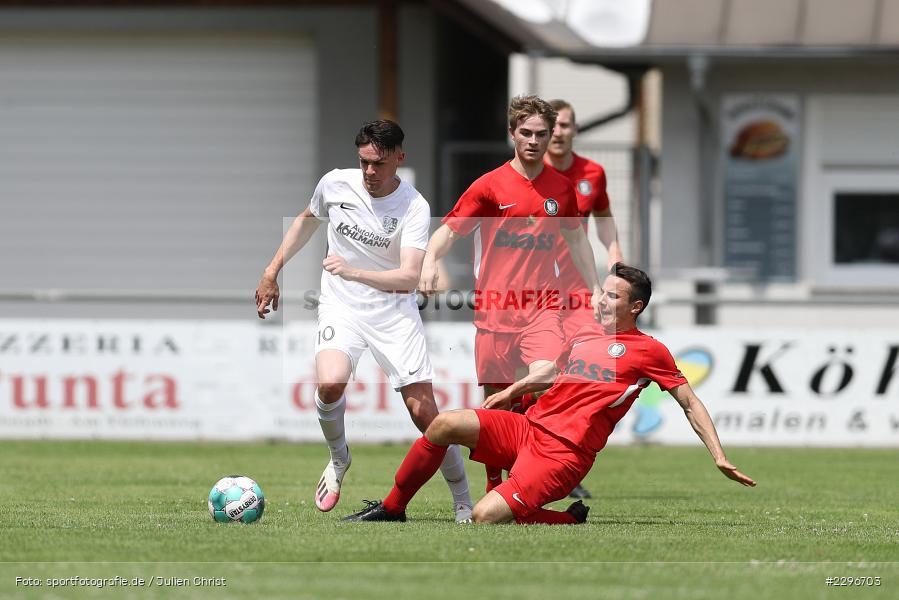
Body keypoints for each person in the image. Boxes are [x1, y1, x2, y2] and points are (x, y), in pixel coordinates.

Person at [343, 263, 756, 524]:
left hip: (564, 455)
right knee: (444, 423)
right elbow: (554, 371)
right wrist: (514, 392)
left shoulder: (649, 351)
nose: (601, 301)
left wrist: (718, 455)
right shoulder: (586, 334)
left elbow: (689, 400)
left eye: (613, 296)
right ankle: (392, 508)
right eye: (602, 292)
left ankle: (566, 520)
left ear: (637, 307)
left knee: (486, 518)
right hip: (528, 429)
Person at [254, 120, 474, 523]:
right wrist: (272, 271)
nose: (370, 172)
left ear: (399, 159)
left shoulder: (414, 206)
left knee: (426, 415)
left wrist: (353, 272)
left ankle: (463, 500)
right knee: (330, 382)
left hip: (393, 313)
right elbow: (306, 220)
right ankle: (339, 460)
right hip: (342, 307)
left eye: (380, 164)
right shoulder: (336, 184)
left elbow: (409, 277)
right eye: (364, 163)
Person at [417, 95, 603, 494]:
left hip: (543, 308)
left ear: (551, 135)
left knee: (547, 380)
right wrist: (430, 261)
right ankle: (495, 486)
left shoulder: (562, 189)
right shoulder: (489, 186)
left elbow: (577, 242)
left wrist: (597, 289)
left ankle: (542, 470)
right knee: (496, 403)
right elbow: (449, 230)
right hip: (496, 310)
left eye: (542, 133)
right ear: (512, 133)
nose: (534, 140)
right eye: (526, 133)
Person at [545, 98, 624, 499]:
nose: (559, 132)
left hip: (580, 290)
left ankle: (564, 463)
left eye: (566, 125)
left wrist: (615, 260)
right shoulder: (528, 175)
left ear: (576, 130)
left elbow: (606, 223)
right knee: (535, 376)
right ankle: (528, 457)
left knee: (584, 372)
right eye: (553, 125)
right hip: (535, 290)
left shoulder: (593, 173)